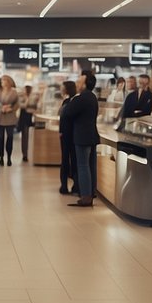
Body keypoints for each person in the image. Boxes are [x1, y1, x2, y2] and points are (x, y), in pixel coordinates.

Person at [61, 70, 99, 207]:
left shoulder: (82, 97)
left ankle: (86, 197)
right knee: (91, 165)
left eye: (80, 80)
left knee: (83, 166)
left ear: (85, 83)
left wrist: (70, 101)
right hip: (91, 135)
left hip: (82, 136)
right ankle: (91, 192)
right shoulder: (92, 97)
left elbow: (68, 112)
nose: (77, 82)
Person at [56, 80, 78, 195]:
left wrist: (61, 131)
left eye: (62, 87)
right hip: (69, 134)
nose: (61, 89)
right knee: (70, 159)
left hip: (67, 134)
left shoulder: (70, 102)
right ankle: (67, 185)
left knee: (68, 159)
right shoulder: (69, 101)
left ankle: (68, 185)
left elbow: (63, 118)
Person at [0, 76, 19, 166]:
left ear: (8, 81)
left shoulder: (14, 92)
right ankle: (1, 156)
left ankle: (9, 156)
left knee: (10, 137)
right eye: (1, 80)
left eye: (4, 80)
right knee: (1, 138)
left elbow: (17, 104)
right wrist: (1, 108)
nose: (2, 82)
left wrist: (10, 108)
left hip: (10, 117)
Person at [17, 84, 36, 162]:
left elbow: (34, 107)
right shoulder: (21, 98)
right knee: (25, 136)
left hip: (30, 118)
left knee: (28, 137)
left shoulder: (33, 98)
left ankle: (27, 153)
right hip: (23, 119)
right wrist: (27, 99)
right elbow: (23, 106)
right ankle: (25, 154)